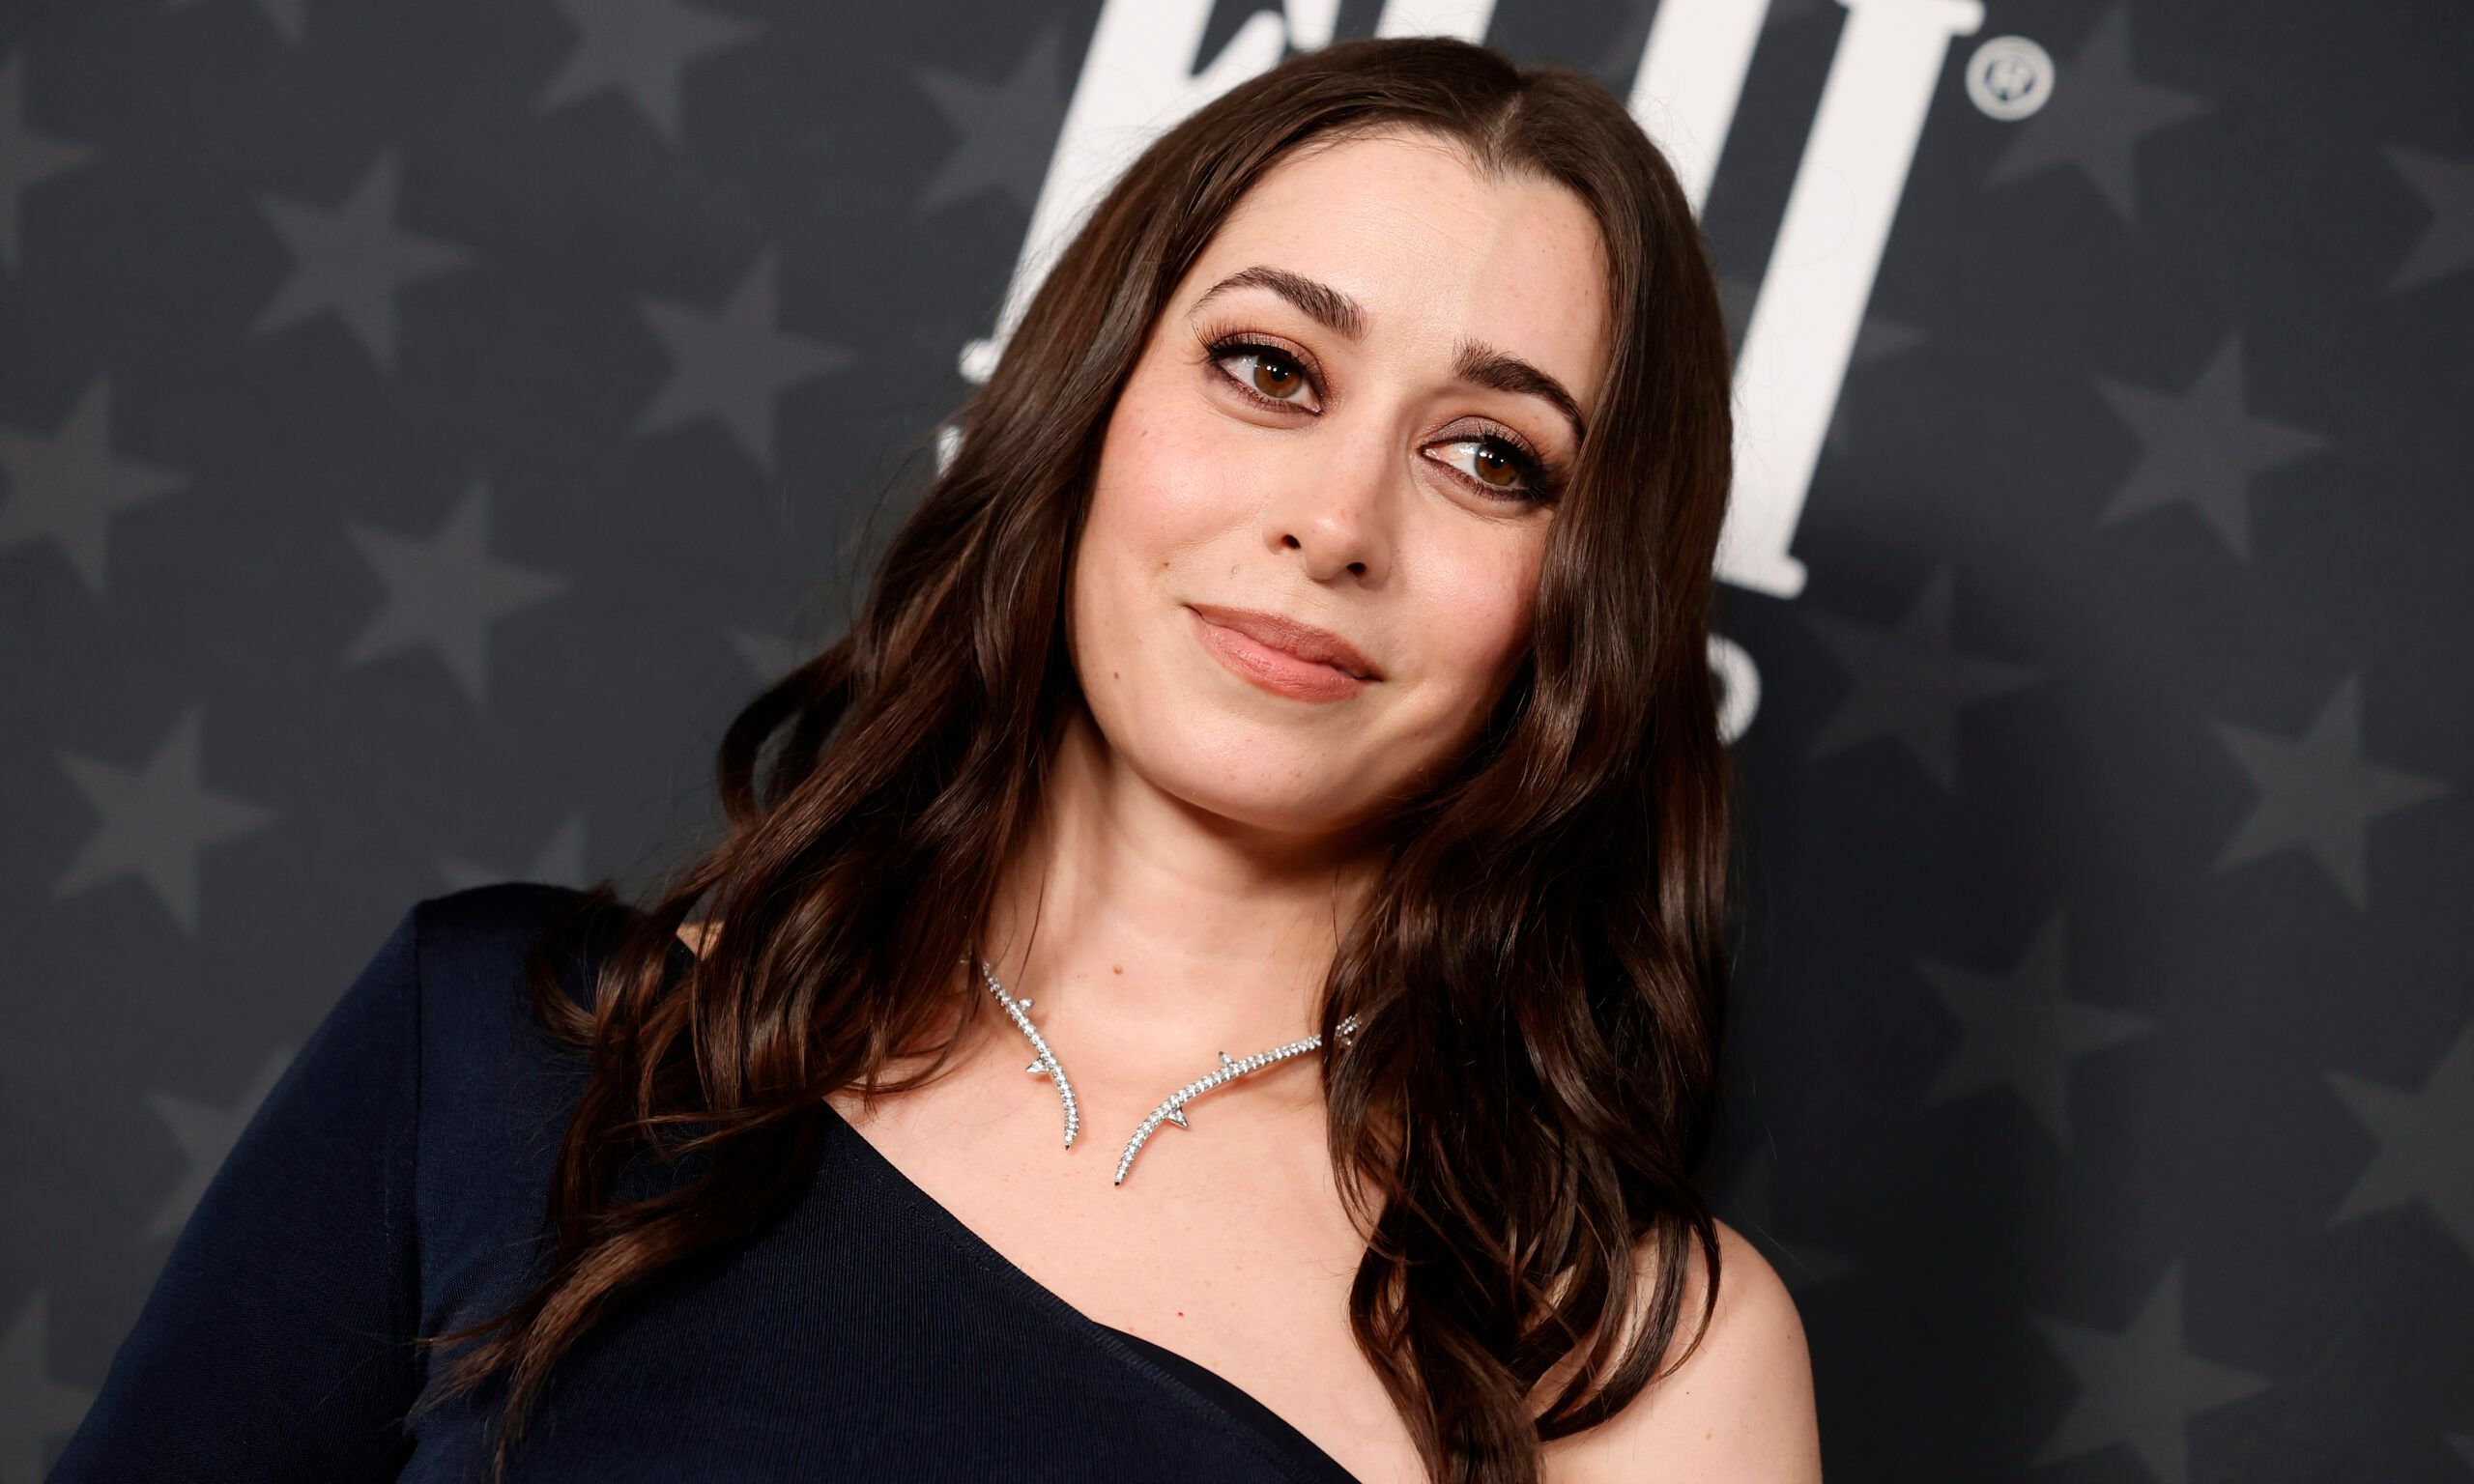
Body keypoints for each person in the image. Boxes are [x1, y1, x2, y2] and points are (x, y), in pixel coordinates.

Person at [50, 34, 1821, 1484]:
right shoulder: (514, 1052)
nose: (1336, 521)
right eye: (1271, 368)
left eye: (1491, 458)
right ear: (1089, 406)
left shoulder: (1636, 1362)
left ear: (1588, 595)